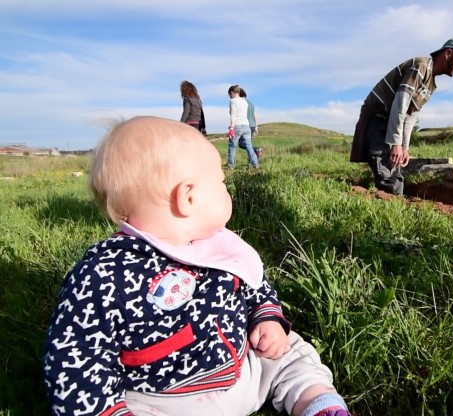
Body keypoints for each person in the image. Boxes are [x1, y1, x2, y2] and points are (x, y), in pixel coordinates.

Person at [42, 116, 351, 416]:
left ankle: (317, 402)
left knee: (291, 352)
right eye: (221, 182)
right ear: (187, 197)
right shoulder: (104, 272)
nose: (226, 190)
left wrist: (267, 319)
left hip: (243, 369)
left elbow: (254, 285)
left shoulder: (216, 243)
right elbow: (76, 357)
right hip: (165, 398)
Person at [350, 38, 453, 195]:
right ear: (448, 53)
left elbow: (411, 115)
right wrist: (396, 144)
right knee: (388, 174)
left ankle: (394, 209)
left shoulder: (431, 84)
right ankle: (389, 211)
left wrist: (404, 147)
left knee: (395, 171)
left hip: (390, 123)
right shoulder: (421, 66)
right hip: (378, 118)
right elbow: (400, 103)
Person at [227, 85, 259, 169]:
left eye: (229, 94)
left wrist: (231, 127)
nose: (229, 96)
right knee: (249, 146)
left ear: (232, 93)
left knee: (232, 146)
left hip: (237, 125)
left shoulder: (233, 101)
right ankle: (255, 164)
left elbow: (233, 115)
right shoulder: (245, 102)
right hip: (246, 125)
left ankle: (231, 166)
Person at [240, 87, 263, 160]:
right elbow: (254, 115)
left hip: (245, 125)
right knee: (248, 143)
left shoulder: (242, 103)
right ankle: (252, 160)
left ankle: (256, 149)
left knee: (242, 144)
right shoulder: (251, 104)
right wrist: (256, 126)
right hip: (252, 126)